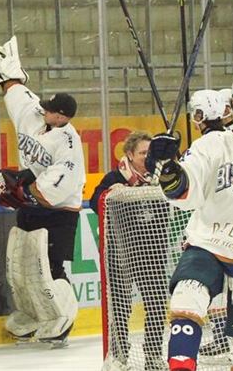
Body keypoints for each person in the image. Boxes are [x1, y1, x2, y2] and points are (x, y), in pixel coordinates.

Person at [145, 64, 233, 371]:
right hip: (210, 240)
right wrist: (167, 167)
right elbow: (185, 190)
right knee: (187, 294)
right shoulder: (213, 144)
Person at [0, 35, 85, 345]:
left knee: (48, 266)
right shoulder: (35, 113)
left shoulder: (69, 143)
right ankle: (33, 315)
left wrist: (22, 191)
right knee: (22, 266)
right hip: (32, 204)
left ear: (64, 118)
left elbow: (58, 187)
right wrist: (8, 75)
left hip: (59, 211)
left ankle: (63, 318)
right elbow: (15, 92)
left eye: (51, 110)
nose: (44, 111)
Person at [91, 131, 168, 370]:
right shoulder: (116, 176)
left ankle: (153, 354)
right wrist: (111, 193)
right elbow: (96, 202)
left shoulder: (161, 176)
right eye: (143, 152)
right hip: (121, 252)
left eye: (150, 152)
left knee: (156, 303)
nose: (147, 157)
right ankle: (119, 354)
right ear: (130, 155)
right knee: (120, 306)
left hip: (152, 253)